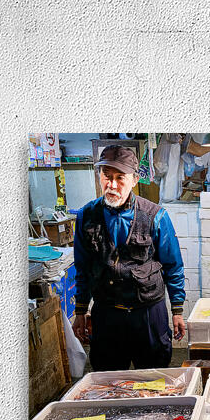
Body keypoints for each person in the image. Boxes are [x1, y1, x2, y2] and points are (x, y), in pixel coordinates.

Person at [71, 145, 186, 370]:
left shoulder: (155, 216)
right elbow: (82, 267)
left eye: (120, 178)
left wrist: (177, 310)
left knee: (155, 379)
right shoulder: (87, 216)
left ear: (134, 180)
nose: (112, 185)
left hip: (148, 314)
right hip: (107, 314)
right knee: (108, 382)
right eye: (107, 176)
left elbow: (173, 266)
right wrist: (80, 311)